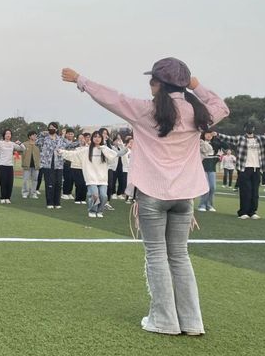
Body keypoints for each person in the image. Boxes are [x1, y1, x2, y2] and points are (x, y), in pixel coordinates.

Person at [62, 57, 228, 336]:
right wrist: (196, 85)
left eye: (153, 80)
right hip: (184, 196)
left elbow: (111, 97)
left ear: (159, 84)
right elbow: (221, 106)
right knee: (179, 256)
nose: (150, 84)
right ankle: (191, 321)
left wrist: (80, 79)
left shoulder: (146, 110)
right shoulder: (197, 113)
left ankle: (164, 320)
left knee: (157, 255)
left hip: (152, 193)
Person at [214, 123, 265, 219]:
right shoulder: (240, 138)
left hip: (257, 168)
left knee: (255, 192)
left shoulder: (261, 139)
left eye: (251, 127)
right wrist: (217, 134)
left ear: (254, 129)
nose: (250, 129)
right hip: (244, 168)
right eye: (248, 128)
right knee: (245, 191)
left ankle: (252, 212)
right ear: (245, 129)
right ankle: (243, 212)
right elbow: (229, 138)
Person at [61, 130, 118, 218]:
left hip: (102, 178)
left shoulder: (105, 149)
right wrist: (62, 152)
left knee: (103, 196)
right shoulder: (86, 150)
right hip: (91, 178)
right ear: (92, 138)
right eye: (95, 137)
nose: (97, 139)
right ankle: (92, 210)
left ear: (102, 139)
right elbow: (74, 154)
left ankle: (100, 211)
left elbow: (114, 157)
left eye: (99, 137)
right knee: (95, 195)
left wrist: (106, 149)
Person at [37, 123, 78, 209]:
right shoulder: (45, 138)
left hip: (59, 164)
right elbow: (37, 143)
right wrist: (42, 133)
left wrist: (80, 142)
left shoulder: (60, 139)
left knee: (58, 183)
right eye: (50, 127)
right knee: (49, 183)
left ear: (56, 129)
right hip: (47, 164)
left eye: (53, 127)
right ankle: (50, 202)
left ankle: (57, 202)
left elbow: (69, 145)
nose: (51, 129)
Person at [197, 131, 219, 212]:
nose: (209, 135)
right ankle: (202, 205)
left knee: (212, 187)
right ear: (204, 135)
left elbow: (224, 147)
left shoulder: (215, 144)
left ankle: (209, 205)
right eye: (207, 134)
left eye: (211, 134)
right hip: (203, 168)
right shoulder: (200, 143)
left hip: (212, 168)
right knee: (206, 187)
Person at [20, 131, 41, 199]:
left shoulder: (38, 144)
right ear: (29, 136)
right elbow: (19, 150)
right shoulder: (24, 144)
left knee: (35, 180)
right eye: (33, 135)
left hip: (36, 165)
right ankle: (25, 193)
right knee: (26, 180)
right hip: (27, 165)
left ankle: (33, 193)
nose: (35, 136)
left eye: (36, 135)